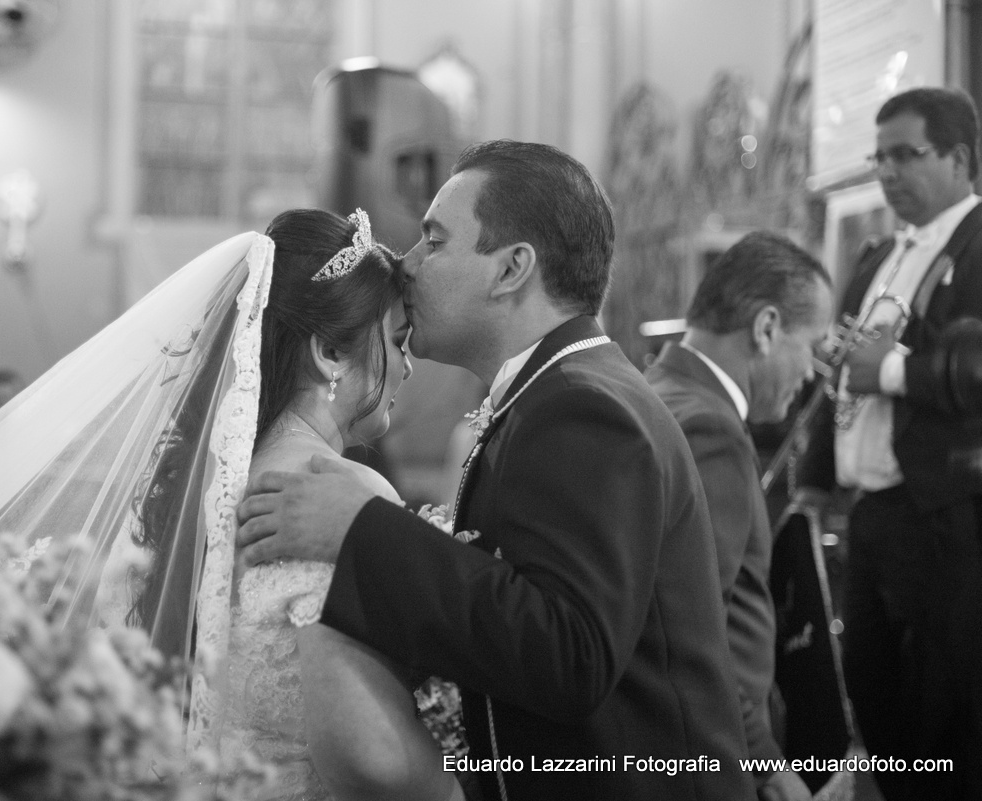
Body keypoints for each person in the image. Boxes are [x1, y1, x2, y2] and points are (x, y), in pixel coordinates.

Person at [237, 140, 755, 800]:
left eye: (434, 241)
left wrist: (361, 528)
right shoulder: (554, 393)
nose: (407, 263)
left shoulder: (583, 408)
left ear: (511, 268)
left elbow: (572, 652)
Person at [0, 209, 463, 801]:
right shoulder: (338, 491)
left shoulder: (208, 486)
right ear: (330, 351)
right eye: (397, 341)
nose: (408, 366)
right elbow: (370, 757)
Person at [796, 86, 982, 800]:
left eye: (907, 154)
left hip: (943, 512)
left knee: (945, 705)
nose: (888, 171)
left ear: (959, 158)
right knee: (871, 692)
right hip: (869, 509)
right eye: (880, 157)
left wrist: (895, 369)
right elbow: (847, 378)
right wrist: (813, 480)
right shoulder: (878, 256)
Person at [645, 232, 833, 801]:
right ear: (766, 327)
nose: (814, 372)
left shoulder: (659, 390)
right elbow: (698, 628)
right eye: (813, 345)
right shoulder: (711, 429)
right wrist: (766, 763)